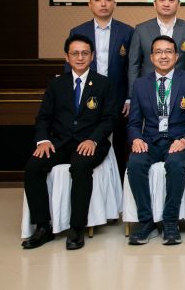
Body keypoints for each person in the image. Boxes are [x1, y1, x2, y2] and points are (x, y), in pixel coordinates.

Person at [22, 34, 117, 250]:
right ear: (67, 57)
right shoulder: (56, 84)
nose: (80, 57)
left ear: (92, 56)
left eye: (85, 53)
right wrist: (43, 140)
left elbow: (110, 119)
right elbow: (43, 118)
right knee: (33, 167)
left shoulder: (104, 84)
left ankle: (76, 228)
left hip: (90, 144)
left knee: (80, 167)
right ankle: (43, 227)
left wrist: (93, 140)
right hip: (60, 143)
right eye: (75, 53)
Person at [126, 35, 185, 246]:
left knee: (176, 163)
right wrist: (136, 139)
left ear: (177, 56)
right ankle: (146, 222)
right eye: (158, 52)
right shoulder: (140, 84)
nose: (163, 56)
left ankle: (170, 222)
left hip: (181, 141)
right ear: (151, 57)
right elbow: (134, 122)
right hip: (151, 141)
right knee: (135, 163)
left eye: (168, 51)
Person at [68, 0, 134, 177]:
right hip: (88, 97)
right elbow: (70, 68)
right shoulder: (78, 32)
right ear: (90, 4)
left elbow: (132, 67)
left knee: (119, 144)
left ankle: (118, 185)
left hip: (119, 99)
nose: (103, 4)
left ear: (115, 3)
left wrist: (129, 97)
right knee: (88, 141)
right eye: (97, 0)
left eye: (108, 0)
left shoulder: (127, 32)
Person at [128, 0, 185, 101]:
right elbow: (134, 65)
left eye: (171, 0)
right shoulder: (141, 29)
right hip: (148, 89)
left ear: (179, 4)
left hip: (181, 90)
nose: (166, 4)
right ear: (154, 4)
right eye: (162, 0)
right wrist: (132, 96)